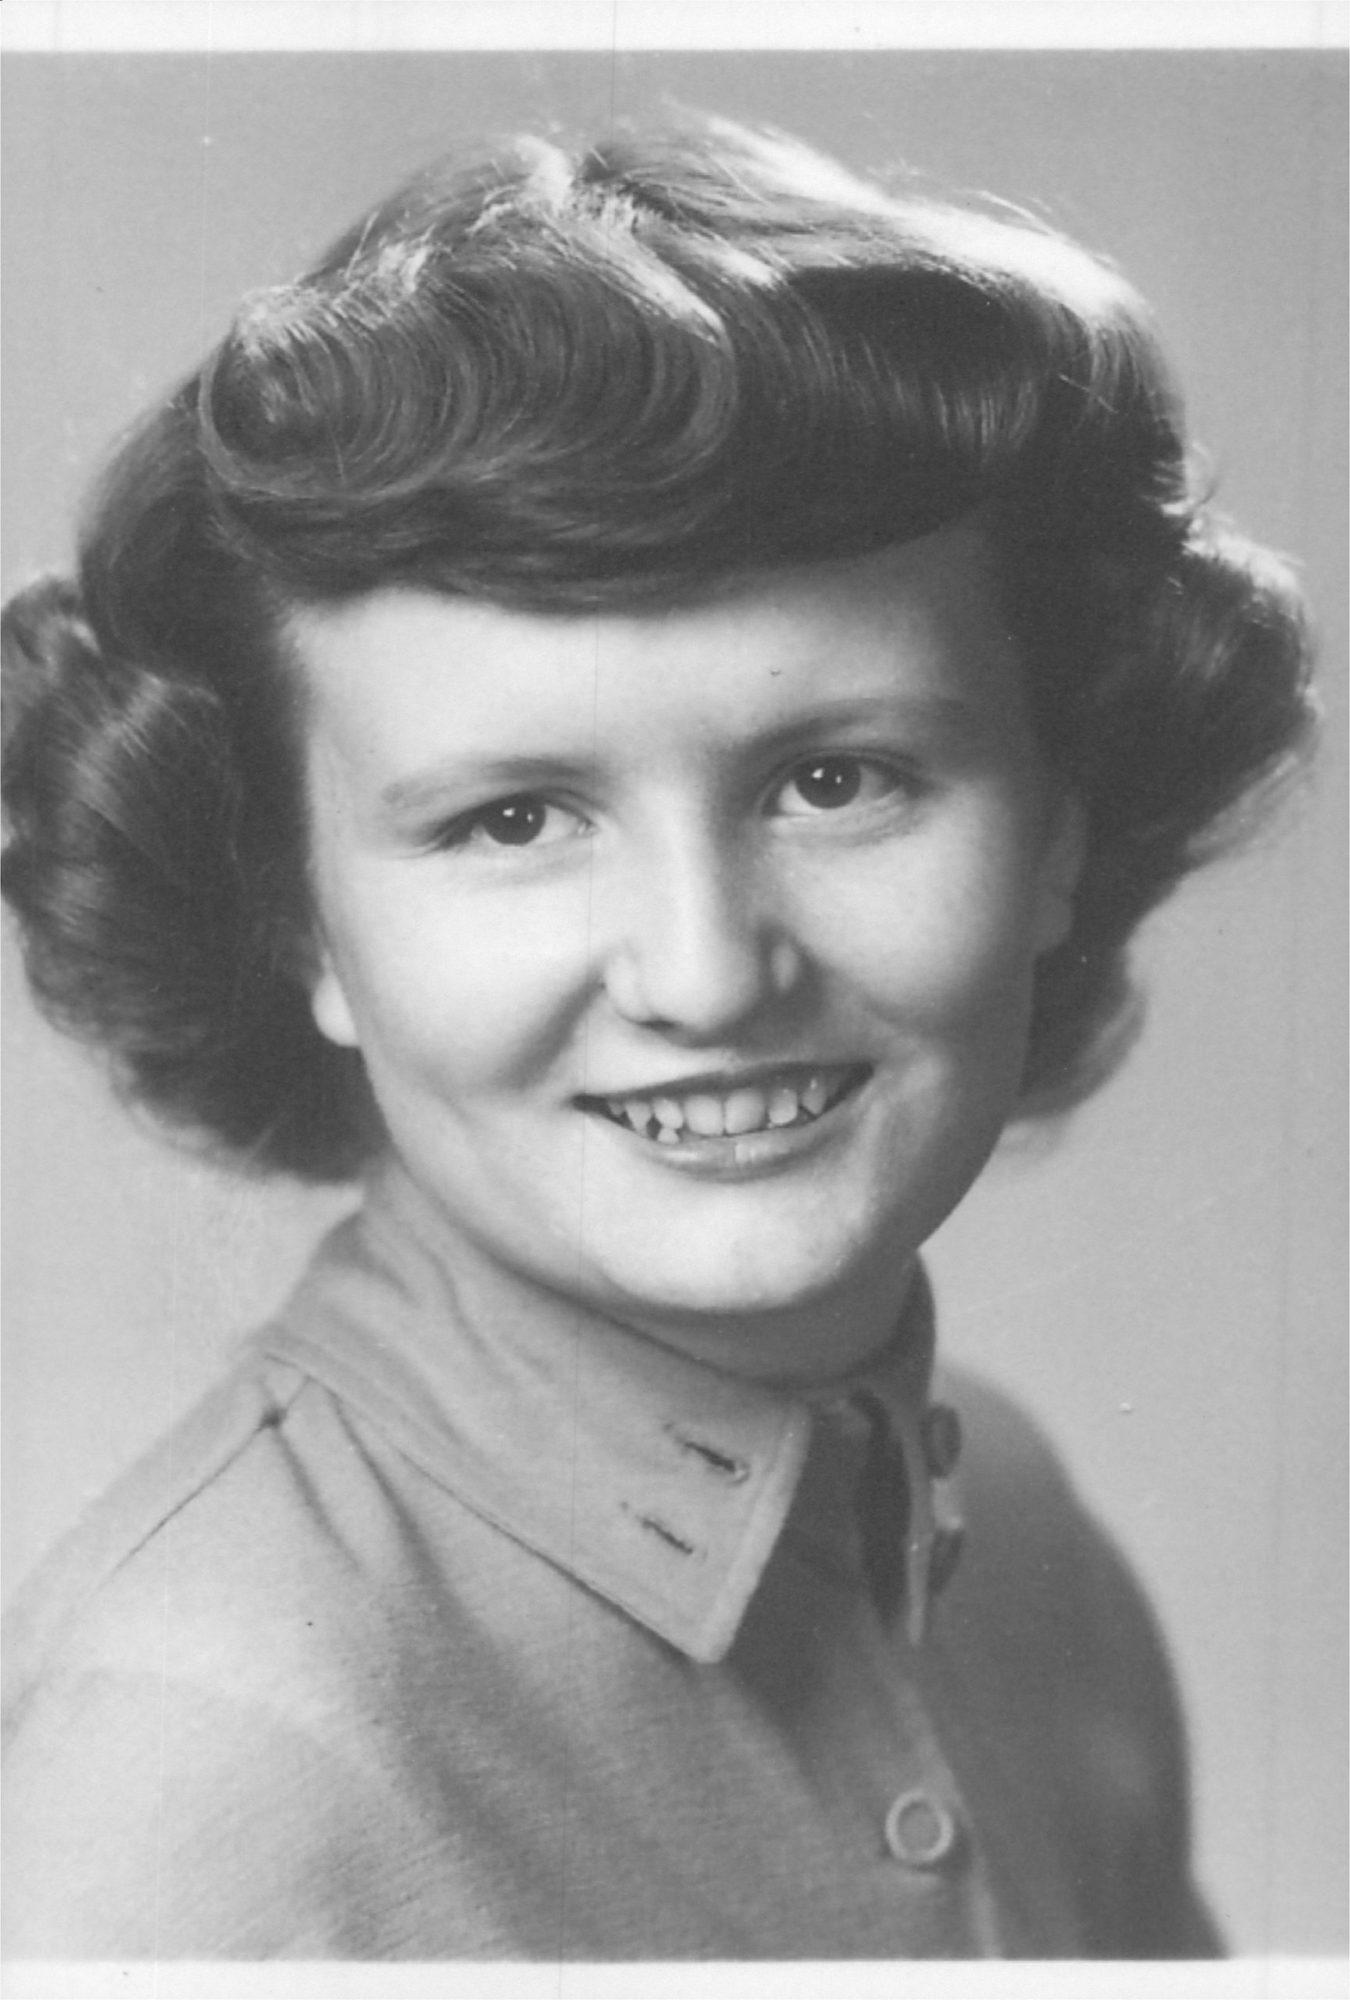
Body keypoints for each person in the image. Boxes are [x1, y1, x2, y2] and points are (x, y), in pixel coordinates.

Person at [1, 118, 1314, 1960]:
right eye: (512, 820)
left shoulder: (1009, 1535)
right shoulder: (196, 1776)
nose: (704, 976)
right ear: (298, 928)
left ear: (1055, 832)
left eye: (836, 780)